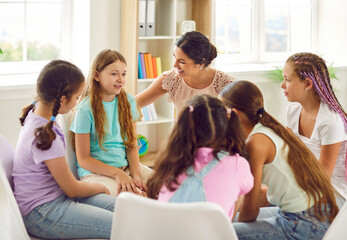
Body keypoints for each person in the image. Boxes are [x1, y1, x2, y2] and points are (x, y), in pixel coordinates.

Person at [220, 80, 338, 240]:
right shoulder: (268, 126)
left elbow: (250, 211)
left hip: (305, 224)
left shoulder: (255, 143)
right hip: (317, 213)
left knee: (220, 233)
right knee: (224, 223)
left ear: (234, 113)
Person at [12, 60, 116, 239]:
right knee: (123, 223)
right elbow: (73, 189)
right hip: (42, 213)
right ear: (62, 100)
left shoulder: (36, 113)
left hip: (57, 196)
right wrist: (100, 187)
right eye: (77, 97)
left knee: (128, 210)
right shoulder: (45, 135)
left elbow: (69, 187)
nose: (78, 102)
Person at [147, 94, 254, 220]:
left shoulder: (170, 161)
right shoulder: (238, 164)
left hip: (165, 233)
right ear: (226, 125)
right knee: (239, 190)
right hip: (212, 233)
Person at [70, 49, 153, 196]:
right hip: (96, 174)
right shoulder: (85, 109)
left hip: (125, 168)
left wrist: (136, 174)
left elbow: (132, 144)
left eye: (124, 74)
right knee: (134, 199)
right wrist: (117, 174)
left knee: (166, 187)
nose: (121, 79)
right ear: (96, 75)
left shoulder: (128, 101)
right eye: (114, 74)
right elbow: (83, 159)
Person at [282, 52, 347, 208]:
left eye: (287, 79)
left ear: (308, 84)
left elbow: (323, 178)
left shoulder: (330, 122)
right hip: (305, 184)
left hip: (332, 192)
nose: (282, 84)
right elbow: (290, 155)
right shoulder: (292, 110)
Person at [136, 31, 236, 113]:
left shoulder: (226, 83)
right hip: (183, 137)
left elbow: (245, 117)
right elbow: (134, 104)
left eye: (182, 61)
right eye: (175, 57)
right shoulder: (171, 79)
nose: (175, 65)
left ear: (201, 62)